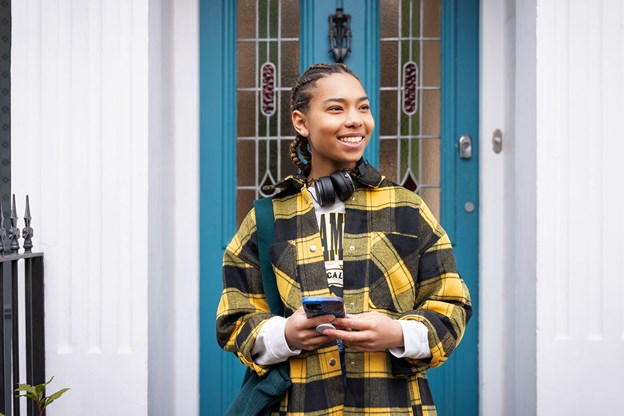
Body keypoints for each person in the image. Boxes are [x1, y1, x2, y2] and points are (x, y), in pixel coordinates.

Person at [216, 63, 472, 415]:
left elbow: (453, 305)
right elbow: (234, 319)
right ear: (301, 122)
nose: (355, 120)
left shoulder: (408, 209)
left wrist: (397, 334)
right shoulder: (267, 219)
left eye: (363, 107)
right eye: (336, 108)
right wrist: (286, 335)